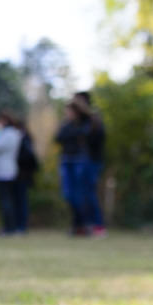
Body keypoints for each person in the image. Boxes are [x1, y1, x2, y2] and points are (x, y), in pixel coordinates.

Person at [55, 100, 91, 235]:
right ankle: (77, 225)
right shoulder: (66, 125)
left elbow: (84, 134)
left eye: (70, 111)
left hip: (79, 160)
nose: (67, 114)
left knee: (80, 194)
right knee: (68, 194)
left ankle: (83, 225)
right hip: (66, 160)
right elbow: (58, 138)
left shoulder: (86, 123)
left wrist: (71, 133)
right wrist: (72, 132)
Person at [74, 91, 107, 238]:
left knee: (90, 194)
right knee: (82, 195)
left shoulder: (94, 118)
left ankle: (98, 225)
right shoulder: (80, 121)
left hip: (93, 161)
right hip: (83, 160)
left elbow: (99, 138)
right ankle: (86, 225)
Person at [0, 111, 23, 236]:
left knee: (6, 201)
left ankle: (9, 228)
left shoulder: (7, 134)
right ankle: (10, 226)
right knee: (8, 200)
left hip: (3, 171)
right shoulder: (14, 133)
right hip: (9, 170)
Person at [13, 117, 39, 234]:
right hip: (18, 174)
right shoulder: (24, 139)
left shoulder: (24, 140)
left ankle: (22, 226)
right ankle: (18, 225)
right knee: (18, 200)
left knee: (21, 200)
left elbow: (29, 158)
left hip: (22, 174)